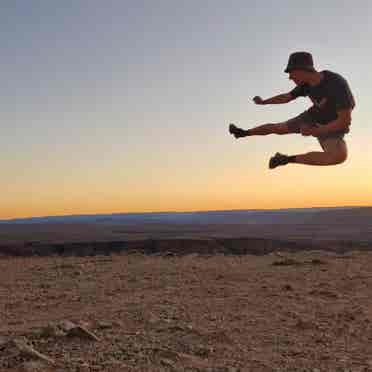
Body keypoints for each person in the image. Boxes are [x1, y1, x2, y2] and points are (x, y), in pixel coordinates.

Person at [228, 51, 355, 169]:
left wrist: (316, 131)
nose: (290, 77)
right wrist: (264, 102)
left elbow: (344, 121)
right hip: (312, 117)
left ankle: (284, 159)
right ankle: (242, 133)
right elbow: (286, 97)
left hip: (333, 126)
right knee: (278, 128)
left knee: (338, 156)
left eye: (291, 72)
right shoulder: (305, 85)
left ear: (302, 70)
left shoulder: (336, 84)